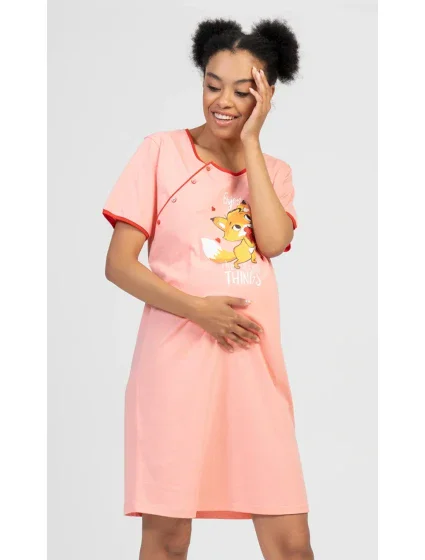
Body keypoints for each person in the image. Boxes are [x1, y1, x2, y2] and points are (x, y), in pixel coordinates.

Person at [102, 16, 314, 560]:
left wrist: (251, 142)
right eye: (213, 84)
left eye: (243, 91)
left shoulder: (275, 171)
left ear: (266, 95)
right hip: (174, 371)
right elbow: (119, 265)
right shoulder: (160, 152)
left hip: (254, 373)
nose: (223, 101)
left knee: (291, 544)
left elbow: (272, 240)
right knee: (168, 540)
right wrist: (200, 311)